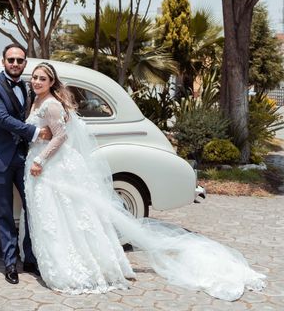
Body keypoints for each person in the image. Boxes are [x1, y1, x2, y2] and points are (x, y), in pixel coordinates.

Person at [24, 62, 266, 301]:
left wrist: (40, 160)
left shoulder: (52, 105)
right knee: (53, 216)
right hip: (43, 165)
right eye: (34, 77)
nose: (36, 81)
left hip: (50, 166)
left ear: (51, 82)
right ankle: (57, 261)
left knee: (61, 215)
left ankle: (72, 269)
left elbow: (61, 136)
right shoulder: (36, 101)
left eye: (42, 78)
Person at [0, 44, 51, 285]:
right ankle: (10, 263)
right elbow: (1, 118)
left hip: (24, 156)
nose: (15, 64)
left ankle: (30, 258)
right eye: (11, 60)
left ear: (25, 63)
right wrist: (37, 132)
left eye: (20, 60)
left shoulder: (30, 87)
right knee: (4, 212)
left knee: (33, 208)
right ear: (3, 62)